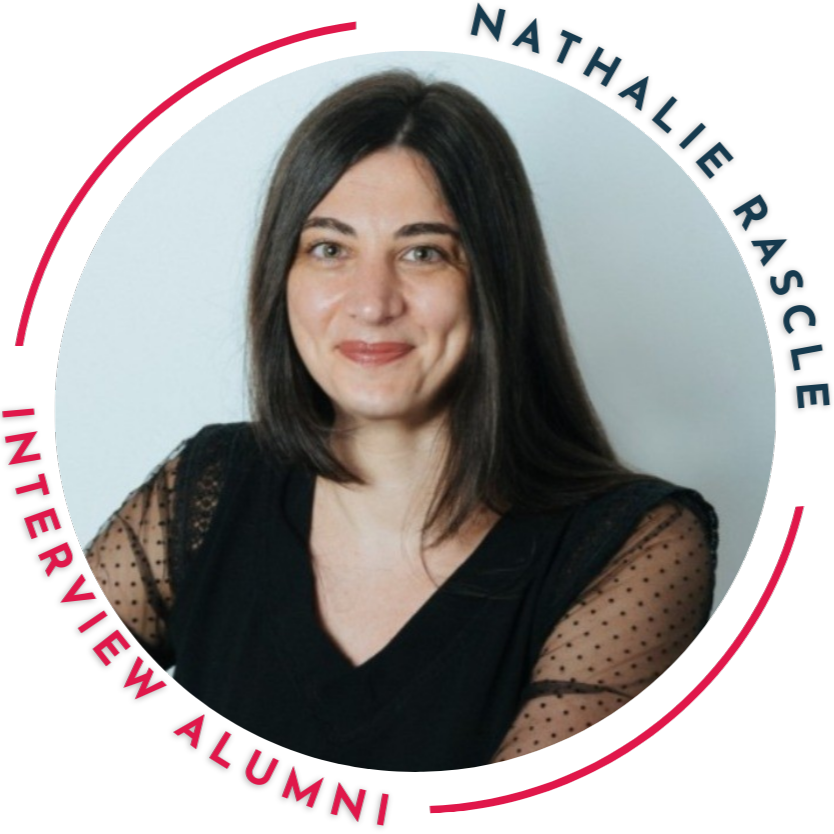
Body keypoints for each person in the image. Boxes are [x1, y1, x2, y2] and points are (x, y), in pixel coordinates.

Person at [84, 70, 717, 771]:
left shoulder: (634, 545)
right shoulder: (208, 486)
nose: (371, 301)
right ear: (281, 275)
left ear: (495, 278)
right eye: (329, 248)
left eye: (423, 253)